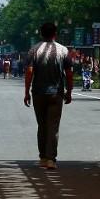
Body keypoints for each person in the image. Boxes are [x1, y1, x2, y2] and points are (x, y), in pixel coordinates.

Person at [23, 22, 74, 169]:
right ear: (55, 34)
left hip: (38, 93)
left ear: (41, 33)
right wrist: (68, 92)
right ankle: (51, 158)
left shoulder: (34, 50)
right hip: (56, 94)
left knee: (42, 125)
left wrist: (27, 92)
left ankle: (43, 158)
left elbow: (29, 72)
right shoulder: (63, 51)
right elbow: (69, 74)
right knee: (53, 127)